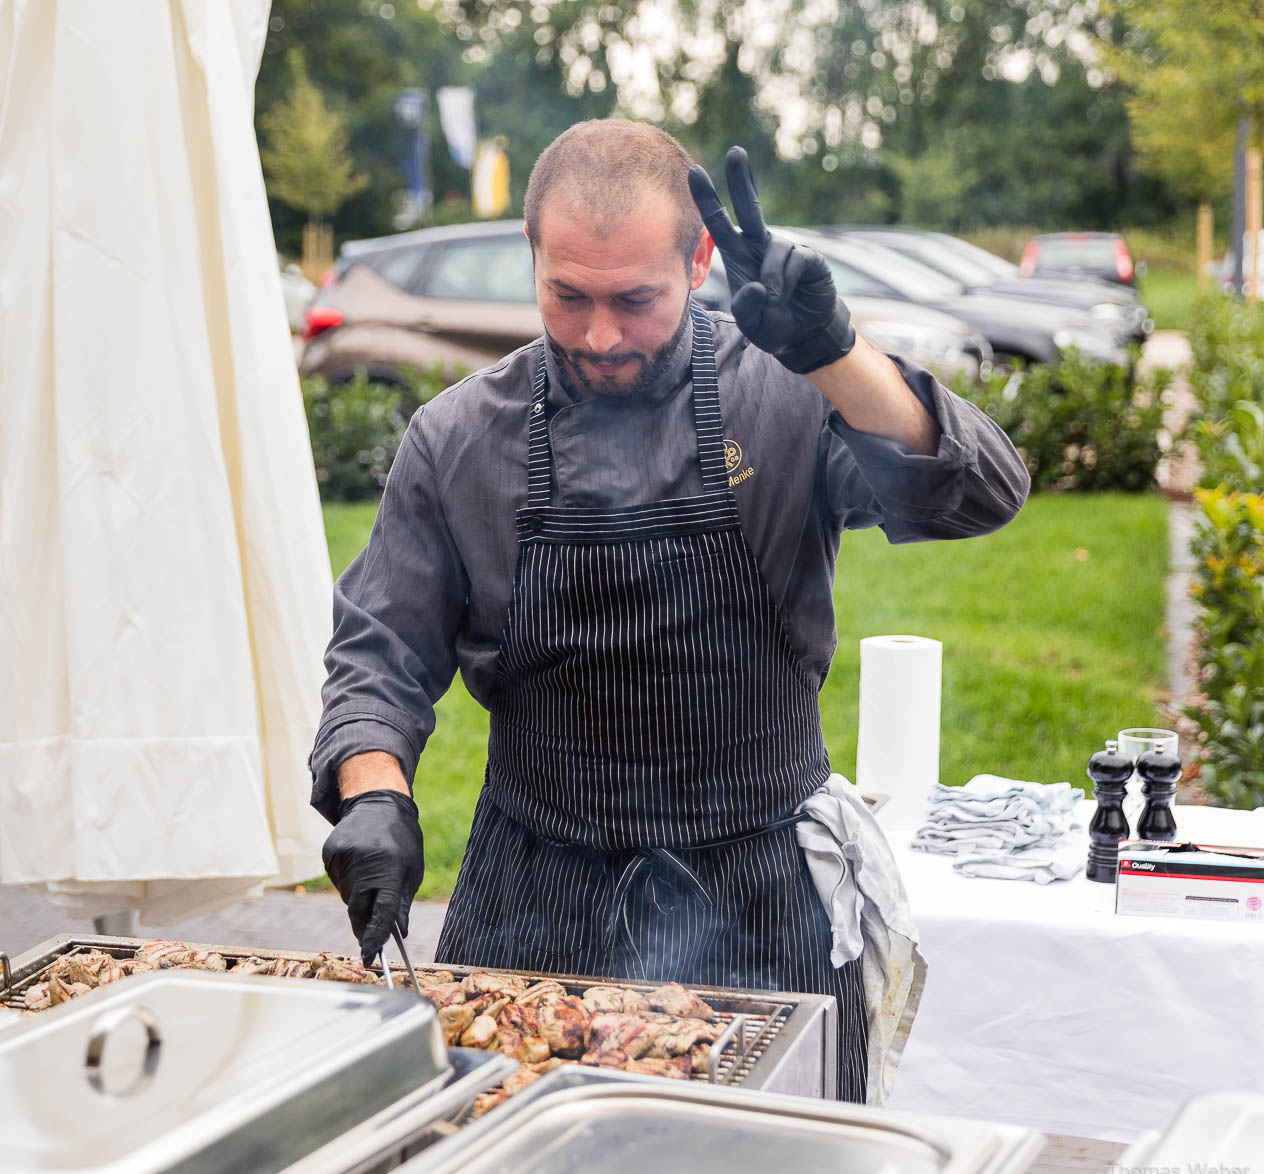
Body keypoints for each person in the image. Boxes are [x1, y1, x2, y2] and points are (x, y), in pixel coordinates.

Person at [310, 122, 1030, 1104]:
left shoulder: (784, 393)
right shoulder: (460, 437)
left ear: (698, 262)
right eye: (569, 296)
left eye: (635, 300)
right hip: (532, 900)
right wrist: (375, 793)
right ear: (533, 263)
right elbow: (380, 653)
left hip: (764, 895)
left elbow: (977, 494)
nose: (601, 336)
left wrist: (836, 352)